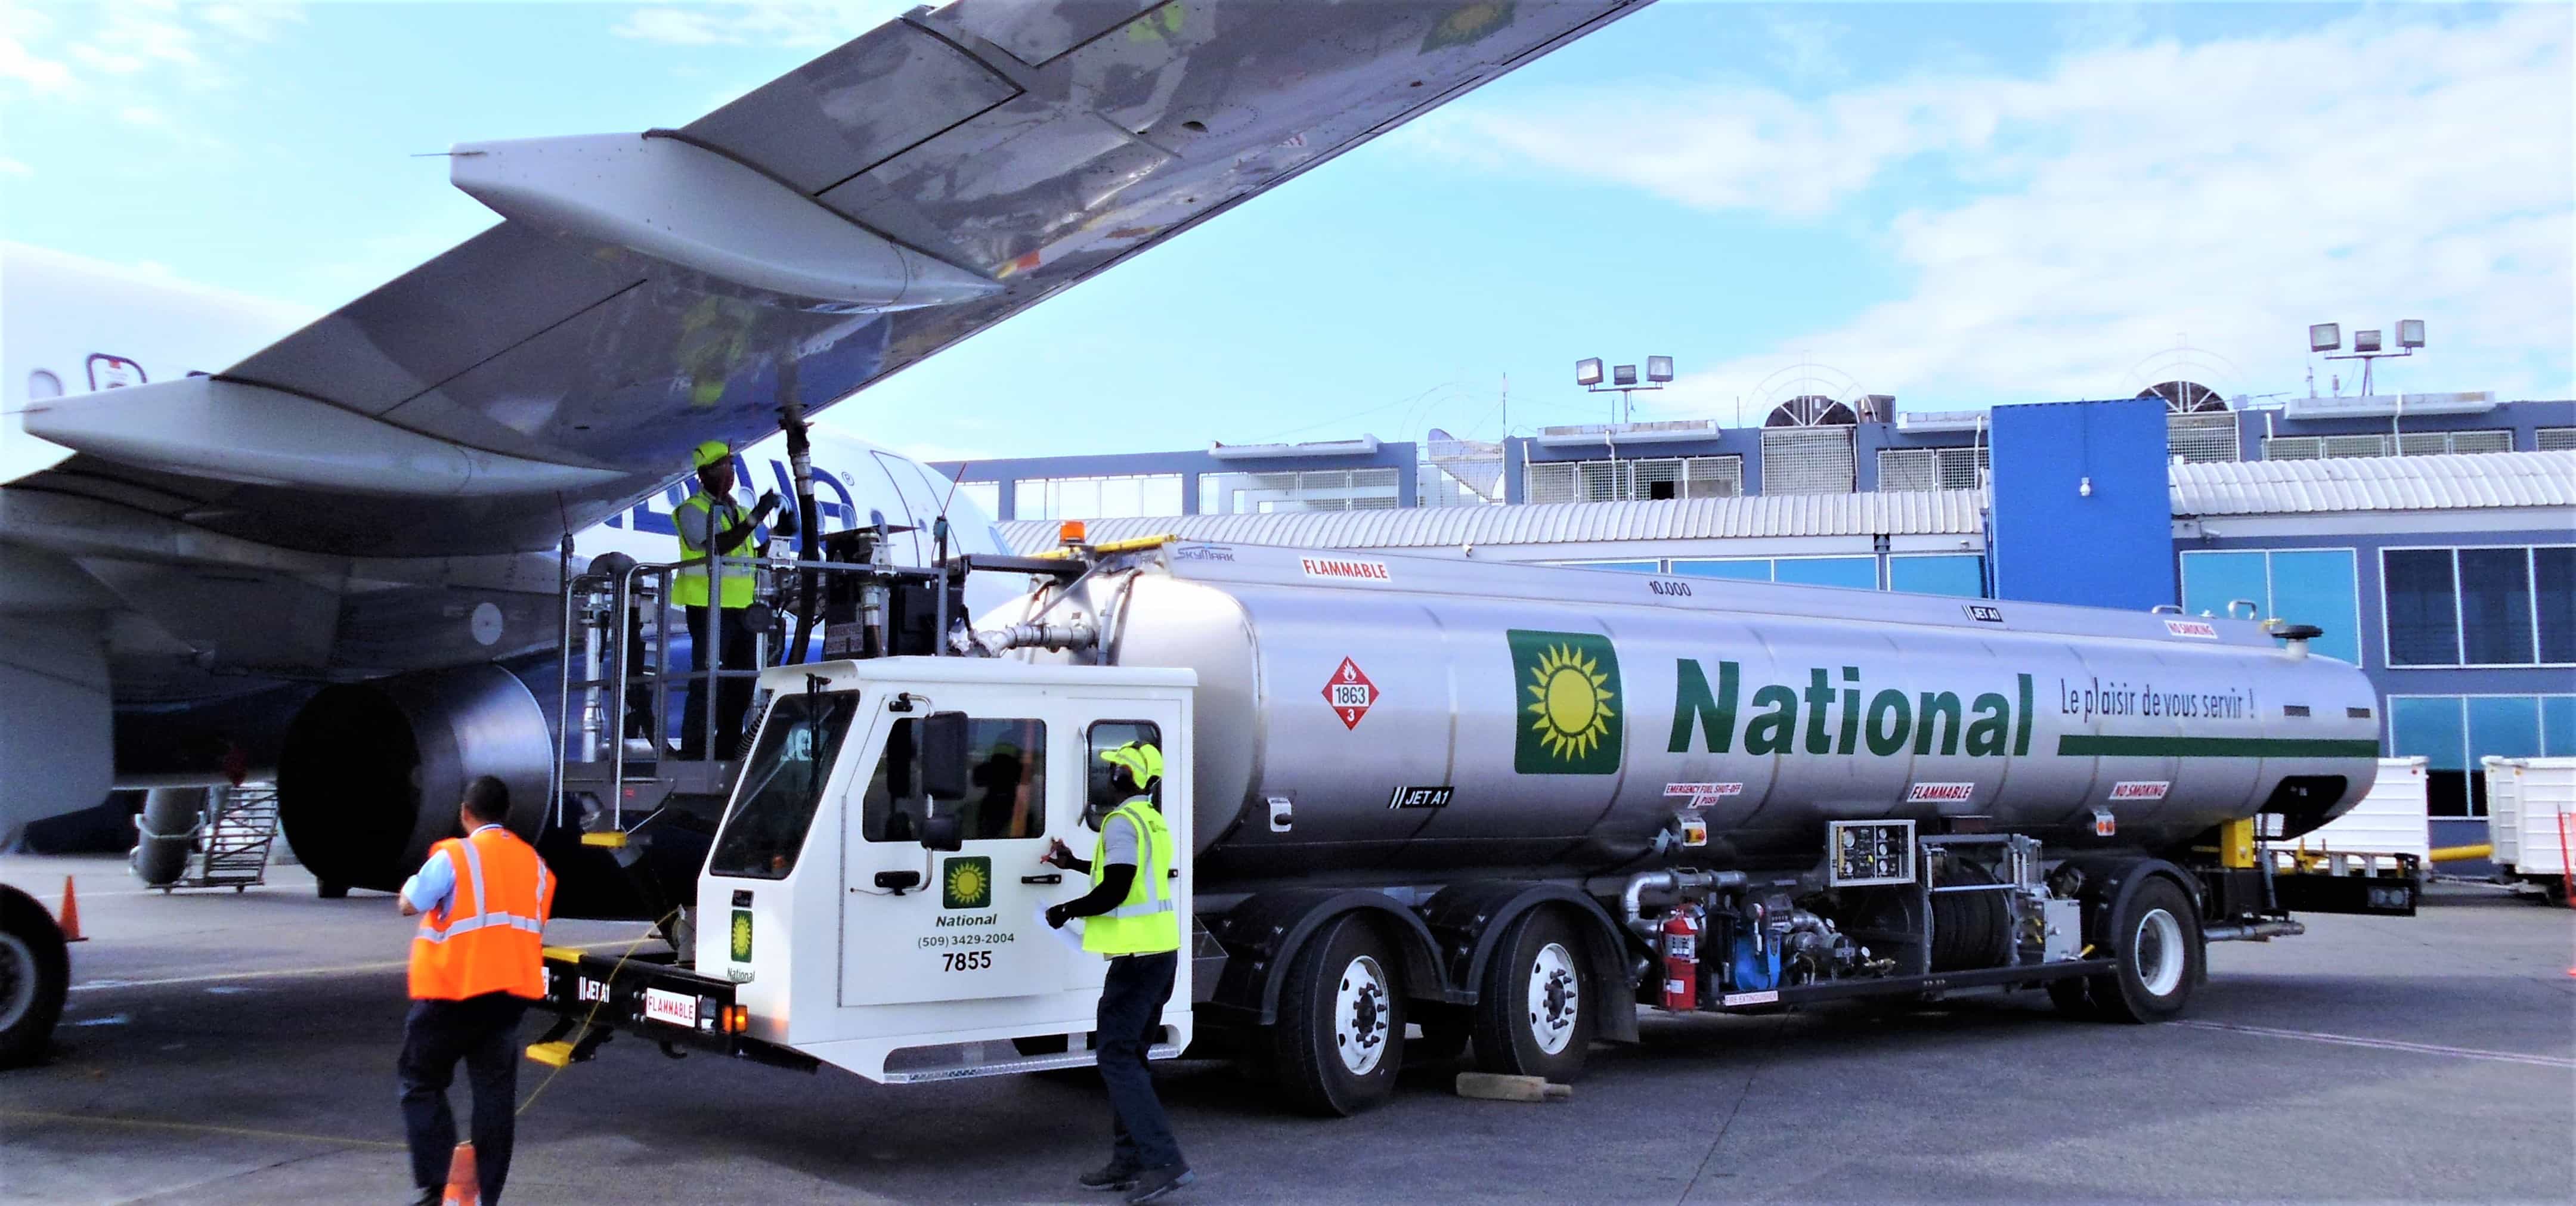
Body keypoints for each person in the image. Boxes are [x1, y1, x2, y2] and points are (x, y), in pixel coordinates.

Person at [1043, 742, 1193, 1204]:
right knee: (1131, 1056)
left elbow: (1118, 887)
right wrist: (1074, 865)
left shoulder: (1121, 822)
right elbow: (1124, 873)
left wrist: (1067, 908)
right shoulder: (1150, 819)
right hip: (1159, 953)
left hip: (1136, 959)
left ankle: (1165, 1161)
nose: (1109, 774)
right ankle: (1128, 1161)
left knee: (1116, 1057)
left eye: (1116, 769)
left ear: (1128, 777)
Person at [396, 776, 556, 1206]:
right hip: (508, 998)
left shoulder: (456, 855)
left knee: (420, 1079)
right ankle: (485, 1194)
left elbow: (411, 901)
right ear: (505, 814)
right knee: (494, 1098)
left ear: (466, 812)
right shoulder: (536, 865)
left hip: (454, 992)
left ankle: (437, 1185)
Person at [673, 440, 778, 759]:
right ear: (704, 474)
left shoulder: (739, 511)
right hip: (708, 607)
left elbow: (746, 556)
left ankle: (728, 745)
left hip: (742, 608)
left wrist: (774, 538)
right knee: (708, 680)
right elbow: (715, 547)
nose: (729, 472)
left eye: (731, 464)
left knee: (742, 680)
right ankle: (694, 748)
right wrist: (754, 520)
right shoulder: (692, 509)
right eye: (722, 466)